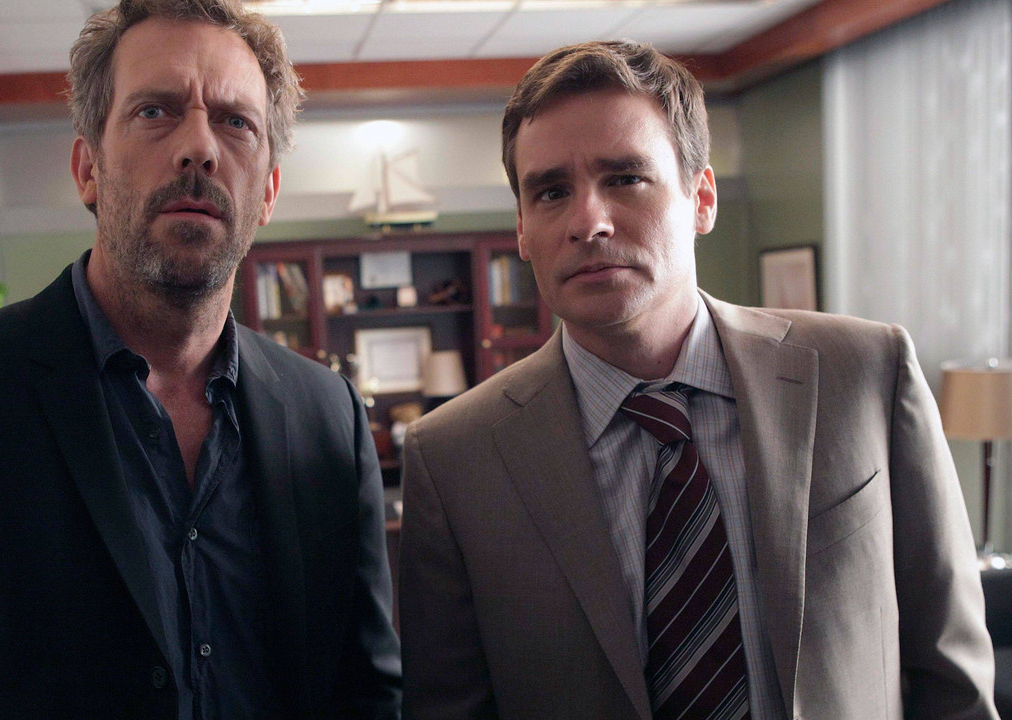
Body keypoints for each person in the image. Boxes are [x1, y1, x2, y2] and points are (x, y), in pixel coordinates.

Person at [0, 0, 401, 718]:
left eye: (236, 122)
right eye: (155, 112)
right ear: (87, 168)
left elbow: (367, 692)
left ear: (269, 193)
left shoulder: (327, 415)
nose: (199, 147)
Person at [398, 40, 996, 720]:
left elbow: (951, 676)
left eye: (625, 178)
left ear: (702, 198)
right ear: (523, 232)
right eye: (552, 192)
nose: (588, 221)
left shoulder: (862, 373)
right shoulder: (454, 459)